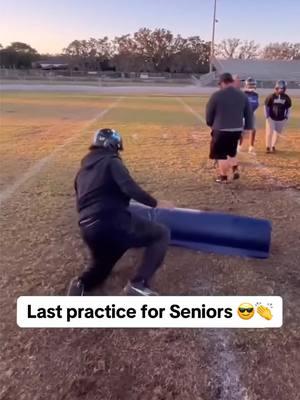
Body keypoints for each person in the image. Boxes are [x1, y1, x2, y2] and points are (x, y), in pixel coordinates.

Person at [68, 128, 173, 296]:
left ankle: (80, 284)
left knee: (103, 266)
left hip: (88, 228)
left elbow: (80, 202)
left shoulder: (81, 173)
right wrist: (156, 203)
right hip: (111, 220)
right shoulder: (111, 161)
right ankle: (138, 284)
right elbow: (128, 187)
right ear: (113, 145)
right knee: (161, 234)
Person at [206, 73, 253, 183]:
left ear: (222, 82)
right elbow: (248, 113)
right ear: (231, 81)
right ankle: (235, 168)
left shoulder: (216, 95)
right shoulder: (242, 95)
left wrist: (211, 124)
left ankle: (223, 177)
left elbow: (209, 113)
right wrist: (247, 128)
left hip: (221, 129)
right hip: (236, 130)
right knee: (231, 152)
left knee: (221, 154)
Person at [264, 80, 292, 153]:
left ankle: (273, 146)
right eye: (279, 88)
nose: (281, 90)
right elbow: (266, 106)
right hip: (271, 117)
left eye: (282, 88)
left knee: (277, 133)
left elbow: (289, 108)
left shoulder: (287, 98)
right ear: (276, 88)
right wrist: (267, 116)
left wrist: (286, 117)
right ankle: (268, 147)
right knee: (269, 132)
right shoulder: (271, 96)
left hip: (281, 119)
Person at [238, 77, 259, 154]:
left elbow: (256, 104)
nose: (252, 86)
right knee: (241, 130)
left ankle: (251, 147)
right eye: (250, 85)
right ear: (246, 85)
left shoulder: (256, 95)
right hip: (242, 114)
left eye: (253, 85)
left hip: (251, 114)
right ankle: (239, 146)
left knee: (253, 129)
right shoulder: (242, 94)